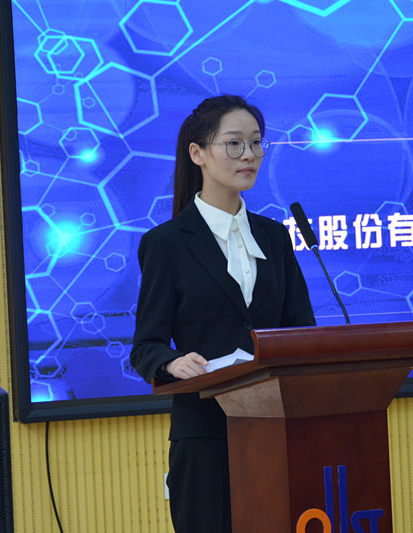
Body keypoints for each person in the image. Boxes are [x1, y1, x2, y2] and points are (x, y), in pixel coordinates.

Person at [130, 94, 316, 533]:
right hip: (205, 437)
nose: (249, 155)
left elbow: (302, 333)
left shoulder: (274, 237)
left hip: (277, 429)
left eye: (256, 142)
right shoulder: (166, 244)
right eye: (234, 144)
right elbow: (146, 346)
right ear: (197, 153)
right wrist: (171, 362)